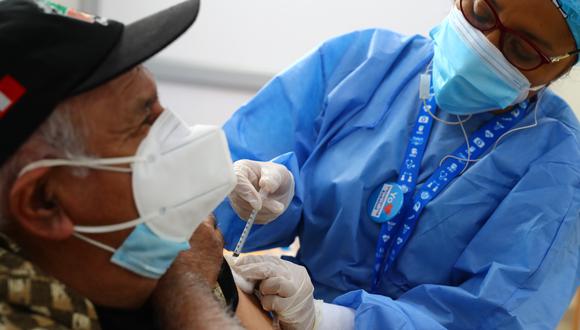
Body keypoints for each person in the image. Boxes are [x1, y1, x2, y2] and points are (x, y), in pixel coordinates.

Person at [218, 0, 580, 329]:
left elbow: (497, 317)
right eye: (481, 11)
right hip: (274, 309)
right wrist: (262, 195)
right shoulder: (361, 64)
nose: (484, 43)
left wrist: (336, 321)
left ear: (564, 65)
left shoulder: (560, 168)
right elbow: (207, 206)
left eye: (521, 49)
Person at [0, 0, 288, 329]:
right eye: (144, 119)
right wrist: (187, 290)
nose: (188, 136)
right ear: (44, 201)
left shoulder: (144, 250)